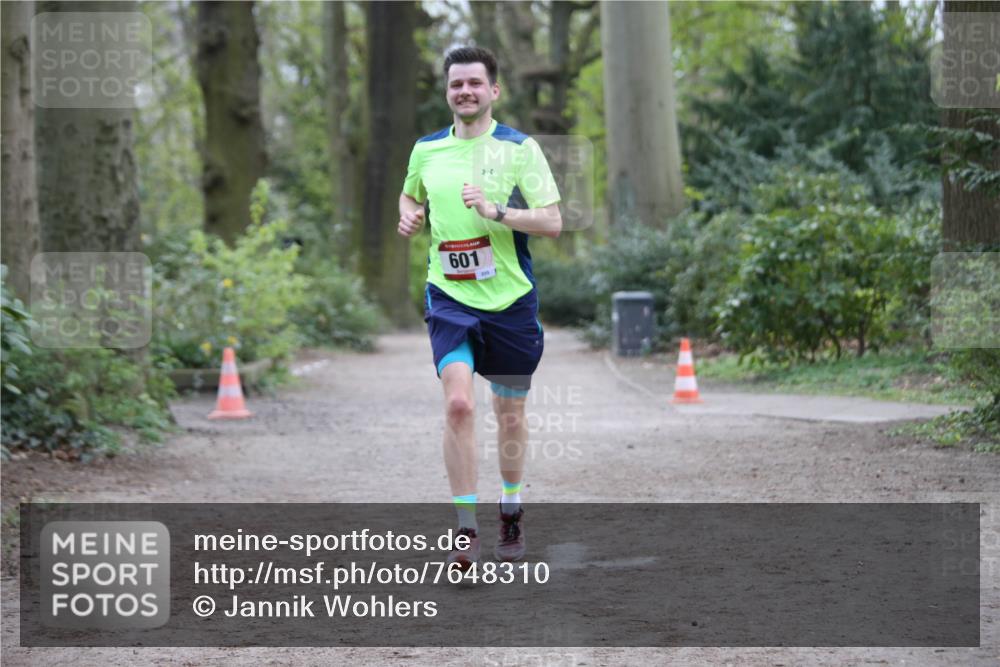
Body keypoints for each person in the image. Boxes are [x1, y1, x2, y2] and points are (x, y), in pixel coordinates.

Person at [397, 46, 562, 569]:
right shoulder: (425, 150)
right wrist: (410, 216)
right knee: (459, 405)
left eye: (474, 83)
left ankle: (510, 509)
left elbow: (553, 221)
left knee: (509, 414)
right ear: (447, 93)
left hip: (510, 299)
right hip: (448, 296)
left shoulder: (520, 149)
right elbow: (410, 195)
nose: (464, 91)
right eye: (456, 84)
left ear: (494, 91)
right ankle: (465, 529)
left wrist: (496, 211)